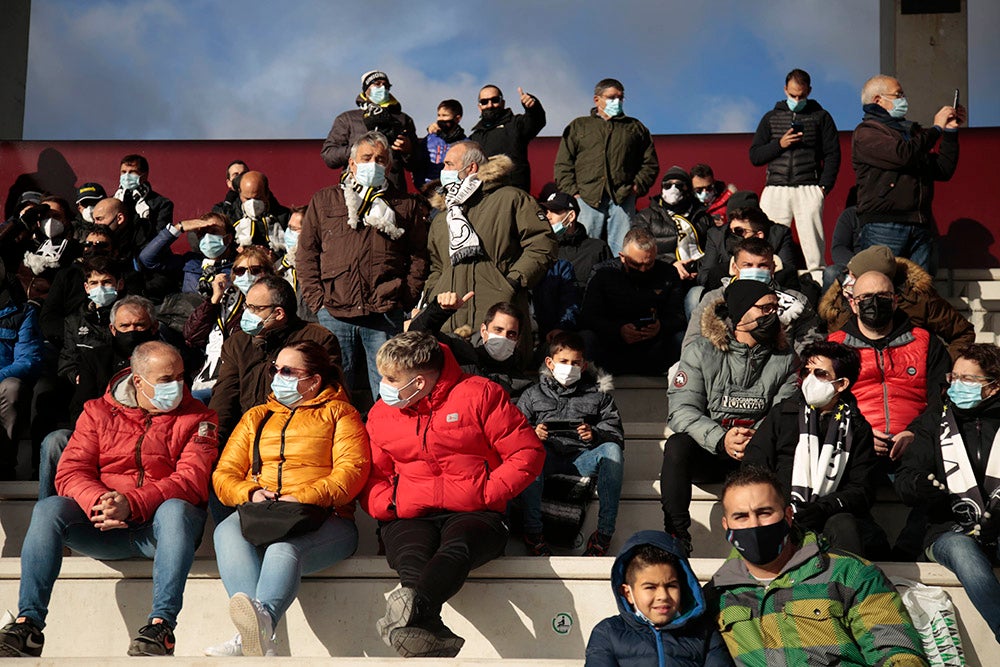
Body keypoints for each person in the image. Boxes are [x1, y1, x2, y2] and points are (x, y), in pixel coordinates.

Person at [0, 342, 218, 658]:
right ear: (138, 381)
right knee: (49, 508)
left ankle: (161, 627)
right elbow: (71, 470)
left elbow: (191, 480)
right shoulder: (97, 412)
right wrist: (100, 501)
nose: (178, 386)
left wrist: (133, 502)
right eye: (166, 379)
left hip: (160, 534)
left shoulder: (202, 416)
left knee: (175, 509)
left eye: (182, 377)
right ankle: (28, 625)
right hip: (102, 525)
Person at [361, 331, 544, 658]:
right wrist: (389, 503)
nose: (383, 385)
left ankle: (413, 614)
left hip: (476, 513)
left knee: (457, 548)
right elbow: (375, 474)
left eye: (391, 378)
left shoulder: (481, 395)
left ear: (418, 383)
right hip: (410, 512)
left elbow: (527, 453)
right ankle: (428, 627)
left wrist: (488, 493)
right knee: (411, 560)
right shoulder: (380, 414)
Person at [207, 341, 370, 657]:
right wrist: (250, 492)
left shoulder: (341, 414)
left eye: (287, 371)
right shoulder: (256, 416)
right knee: (226, 530)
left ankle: (258, 628)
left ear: (314, 380)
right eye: (274, 369)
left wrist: (301, 497)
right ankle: (255, 632)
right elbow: (224, 473)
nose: (276, 376)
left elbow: (352, 472)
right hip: (264, 513)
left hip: (326, 520)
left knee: (284, 547)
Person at [705, 466, 928, 666]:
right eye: (741, 516)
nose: (754, 524)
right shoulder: (716, 595)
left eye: (764, 512)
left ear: (788, 516)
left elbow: (896, 650)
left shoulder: (850, 574)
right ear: (726, 525)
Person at [661, 280, 796, 553]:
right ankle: (676, 536)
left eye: (776, 308)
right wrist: (722, 439)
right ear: (741, 313)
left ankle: (780, 535)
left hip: (757, 451)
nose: (773, 315)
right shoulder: (700, 351)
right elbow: (681, 410)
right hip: (711, 449)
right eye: (765, 308)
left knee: (788, 444)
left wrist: (754, 438)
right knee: (676, 445)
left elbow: (784, 412)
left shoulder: (786, 358)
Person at [300, 131, 429, 401]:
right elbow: (306, 252)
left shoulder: (406, 205)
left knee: (390, 388)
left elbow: (419, 255)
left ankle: (386, 440)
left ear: (390, 166)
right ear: (351, 163)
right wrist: (317, 301)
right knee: (331, 390)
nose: (373, 164)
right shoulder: (325, 200)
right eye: (366, 158)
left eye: (380, 159)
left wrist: (406, 295)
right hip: (334, 312)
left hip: (384, 312)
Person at [895, 343, 1000, 643]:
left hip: (998, 527)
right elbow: (905, 480)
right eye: (954, 377)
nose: (956, 385)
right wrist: (922, 487)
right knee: (961, 550)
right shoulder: (933, 421)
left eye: (968, 380)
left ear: (994, 387)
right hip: (945, 530)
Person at [742, 341, 884, 557]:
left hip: (831, 514)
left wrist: (824, 507)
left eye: (820, 373)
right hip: (780, 510)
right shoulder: (783, 413)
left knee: (845, 525)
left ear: (842, 384)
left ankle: (845, 587)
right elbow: (754, 464)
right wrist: (780, 503)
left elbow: (862, 488)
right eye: (806, 372)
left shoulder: (856, 427)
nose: (809, 380)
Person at [423, 141, 556, 347]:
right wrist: (434, 294)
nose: (443, 170)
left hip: (498, 321)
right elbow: (437, 267)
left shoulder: (511, 198)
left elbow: (542, 245)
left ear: (471, 168)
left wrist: (510, 283)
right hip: (449, 326)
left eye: (449, 164)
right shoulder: (443, 216)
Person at [39, 296, 159, 500]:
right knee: (55, 441)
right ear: (113, 329)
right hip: (97, 436)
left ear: (153, 328)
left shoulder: (168, 361)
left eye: (139, 326)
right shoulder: (95, 359)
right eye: (125, 326)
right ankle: (49, 507)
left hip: (148, 439)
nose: (132, 331)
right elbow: (80, 408)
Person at [516, 332, 623, 556]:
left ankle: (603, 536)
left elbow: (615, 434)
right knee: (527, 454)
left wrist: (594, 434)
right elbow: (513, 434)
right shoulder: (531, 394)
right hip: (546, 456)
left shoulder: (598, 395)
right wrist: (533, 434)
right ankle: (533, 534)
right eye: (563, 362)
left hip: (582, 457)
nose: (569, 367)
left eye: (575, 363)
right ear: (550, 362)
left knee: (612, 451)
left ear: (584, 366)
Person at [827, 270, 949, 463]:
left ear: (895, 301)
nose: (874, 302)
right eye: (866, 297)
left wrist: (915, 433)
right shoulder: (834, 347)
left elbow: (941, 399)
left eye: (883, 295)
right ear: (853, 304)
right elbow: (825, 404)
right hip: (852, 448)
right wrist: (859, 433)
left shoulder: (927, 343)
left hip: (917, 445)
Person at [208, 276, 342, 450]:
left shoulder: (318, 340)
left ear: (278, 313)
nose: (247, 313)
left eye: (255, 308)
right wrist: (212, 441)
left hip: (298, 438)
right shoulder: (237, 343)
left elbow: (329, 398)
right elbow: (224, 398)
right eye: (246, 306)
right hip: (245, 435)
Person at [852, 74, 963, 274]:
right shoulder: (867, 132)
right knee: (882, 288)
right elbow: (902, 155)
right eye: (898, 95)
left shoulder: (911, 134)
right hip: (884, 225)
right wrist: (936, 128)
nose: (904, 99)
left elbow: (943, 169)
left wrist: (950, 133)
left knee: (918, 296)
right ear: (878, 100)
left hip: (919, 224)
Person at [584, 530, 732, 667]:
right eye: (650, 587)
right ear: (627, 593)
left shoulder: (705, 633)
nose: (663, 596)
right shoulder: (608, 633)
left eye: (671, 586)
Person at [749, 69, 840, 279]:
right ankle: (768, 282)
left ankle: (818, 285)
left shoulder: (821, 117)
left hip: (809, 186)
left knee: (814, 250)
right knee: (768, 242)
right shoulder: (771, 118)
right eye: (792, 95)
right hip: (775, 187)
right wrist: (779, 145)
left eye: (801, 95)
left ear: (809, 91)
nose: (796, 99)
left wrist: (823, 188)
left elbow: (833, 154)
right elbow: (755, 156)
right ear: (785, 90)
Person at [554, 78, 659, 255]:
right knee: (585, 247)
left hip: (622, 197)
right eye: (611, 97)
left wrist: (636, 187)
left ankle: (621, 281)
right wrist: (573, 193)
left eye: (620, 97)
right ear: (597, 99)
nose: (617, 102)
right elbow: (563, 163)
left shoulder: (635, 128)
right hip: (587, 198)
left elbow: (650, 163)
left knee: (623, 248)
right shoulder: (579, 126)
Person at [819, 244, 974, 361]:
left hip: (908, 379)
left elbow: (962, 333)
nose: (848, 279)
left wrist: (939, 367)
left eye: (854, 275)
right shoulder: (840, 299)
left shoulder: (918, 298)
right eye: (849, 273)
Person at [684, 237, 822, 357]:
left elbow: (809, 345)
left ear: (773, 268)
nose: (755, 270)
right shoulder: (714, 298)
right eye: (748, 265)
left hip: (779, 371)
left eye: (762, 265)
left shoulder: (797, 301)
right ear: (734, 267)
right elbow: (692, 343)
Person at [578, 228, 685, 376]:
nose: (643, 270)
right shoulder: (603, 274)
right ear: (622, 257)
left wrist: (660, 326)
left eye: (649, 264)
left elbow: (678, 317)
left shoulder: (668, 273)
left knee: (682, 338)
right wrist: (618, 330)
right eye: (636, 265)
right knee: (586, 338)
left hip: (654, 346)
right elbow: (588, 317)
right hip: (612, 345)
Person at [184, 246, 277, 403]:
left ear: (266, 273)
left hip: (244, 378)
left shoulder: (274, 301)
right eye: (240, 271)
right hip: (209, 377)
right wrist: (214, 300)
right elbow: (192, 336)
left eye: (254, 270)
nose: (246, 275)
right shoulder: (224, 299)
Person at [409, 292, 533, 398]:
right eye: (498, 330)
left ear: (518, 338)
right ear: (484, 331)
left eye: (511, 334)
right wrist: (439, 310)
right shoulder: (459, 353)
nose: (503, 337)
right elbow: (416, 339)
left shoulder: (522, 384)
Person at [321, 70, 419, 192]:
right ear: (365, 89)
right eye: (377, 84)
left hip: (393, 192)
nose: (382, 88)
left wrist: (408, 150)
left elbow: (417, 164)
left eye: (386, 85)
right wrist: (356, 149)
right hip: (354, 190)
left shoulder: (403, 119)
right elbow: (329, 156)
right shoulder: (348, 119)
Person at [698, 191, 798, 293]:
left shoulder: (779, 234)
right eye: (730, 230)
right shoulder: (717, 235)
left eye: (739, 231)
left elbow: (787, 275)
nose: (733, 235)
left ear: (758, 235)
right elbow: (704, 277)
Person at [631, 166, 713, 282]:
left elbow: (714, 249)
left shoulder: (702, 216)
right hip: (660, 278)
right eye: (667, 185)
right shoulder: (645, 217)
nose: (673, 189)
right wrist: (671, 264)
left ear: (688, 188)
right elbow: (638, 249)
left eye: (679, 185)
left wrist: (698, 268)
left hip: (696, 277)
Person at [0, 267, 43, 480]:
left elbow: (28, 361)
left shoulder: (23, 312)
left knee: (12, 388)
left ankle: (4, 465)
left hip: (3, 384)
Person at [138, 211, 237, 296]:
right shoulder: (190, 261)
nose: (207, 237)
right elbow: (147, 259)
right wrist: (179, 227)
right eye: (202, 233)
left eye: (214, 231)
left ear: (228, 238)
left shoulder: (240, 266)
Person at [468, 84, 545, 191]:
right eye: (484, 102)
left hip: (513, 192)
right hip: (484, 196)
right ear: (479, 107)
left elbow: (537, 120)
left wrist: (533, 107)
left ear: (502, 103)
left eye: (495, 100)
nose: (490, 105)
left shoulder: (516, 124)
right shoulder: (474, 137)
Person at [113, 154, 174, 239]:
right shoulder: (112, 200)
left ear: (144, 175)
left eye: (132, 172)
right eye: (123, 172)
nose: (126, 176)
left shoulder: (162, 204)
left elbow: (160, 238)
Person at [413, 99, 466, 187]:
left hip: (452, 189)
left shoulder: (465, 143)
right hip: (427, 188)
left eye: (445, 115)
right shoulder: (430, 139)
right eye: (439, 115)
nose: (440, 119)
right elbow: (418, 163)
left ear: (457, 118)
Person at [233, 170, 290, 251]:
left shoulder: (284, 217)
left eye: (257, 198)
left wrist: (275, 255)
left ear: (267, 193)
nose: (252, 203)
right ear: (239, 192)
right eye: (247, 198)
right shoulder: (231, 216)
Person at [690, 163, 735, 228]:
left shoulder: (730, 201)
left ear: (714, 182)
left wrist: (725, 224)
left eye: (709, 188)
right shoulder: (687, 206)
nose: (704, 192)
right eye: (699, 189)